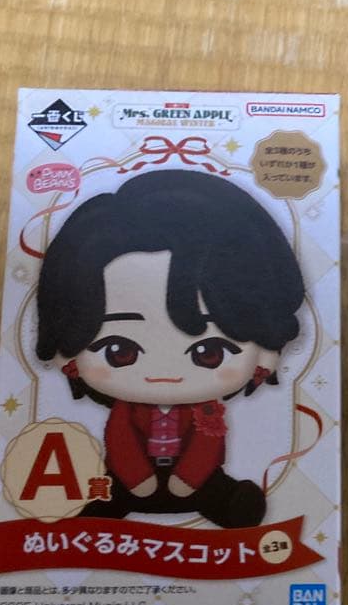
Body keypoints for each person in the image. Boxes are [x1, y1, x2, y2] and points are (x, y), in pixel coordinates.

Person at [36, 169, 305, 528]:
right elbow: (120, 440)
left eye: (208, 353)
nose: (164, 373)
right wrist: (137, 479)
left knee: (220, 494)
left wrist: (187, 480)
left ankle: (226, 502)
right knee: (107, 496)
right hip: (131, 480)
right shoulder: (128, 411)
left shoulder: (207, 411)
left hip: (198, 481)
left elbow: (206, 446)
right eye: (120, 351)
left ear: (266, 352)